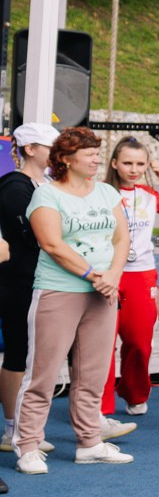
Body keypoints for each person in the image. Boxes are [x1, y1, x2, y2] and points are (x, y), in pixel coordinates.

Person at [16, 126, 134, 470]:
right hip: (58, 291)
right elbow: (52, 244)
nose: (97, 159)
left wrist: (112, 275)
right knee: (42, 373)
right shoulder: (46, 195)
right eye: (89, 154)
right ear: (66, 160)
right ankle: (27, 446)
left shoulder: (108, 193)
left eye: (98, 153)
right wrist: (91, 274)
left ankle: (89, 443)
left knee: (93, 374)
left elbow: (121, 240)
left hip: (103, 292)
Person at [107, 137, 159, 419]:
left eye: (140, 163)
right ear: (114, 163)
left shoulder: (148, 194)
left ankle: (134, 393)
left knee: (139, 342)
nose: (134, 169)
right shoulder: (102, 193)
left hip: (141, 274)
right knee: (103, 342)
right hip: (109, 273)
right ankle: (99, 405)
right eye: (127, 162)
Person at [0, 122, 53, 470]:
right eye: (50, 146)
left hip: (38, 278)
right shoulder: (14, 187)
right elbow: (34, 235)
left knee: (32, 352)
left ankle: (25, 425)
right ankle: (11, 427)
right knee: (18, 350)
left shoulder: (44, 185)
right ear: (30, 149)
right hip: (17, 280)